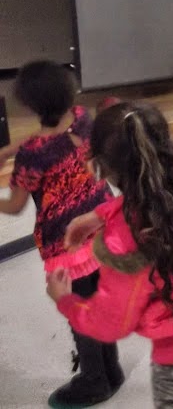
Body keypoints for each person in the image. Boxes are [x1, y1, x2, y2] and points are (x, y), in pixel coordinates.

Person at [46, 102, 173, 409]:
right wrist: (101, 214)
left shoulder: (124, 238)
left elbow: (111, 324)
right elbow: (156, 193)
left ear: (103, 167)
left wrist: (65, 300)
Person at [0, 61, 123, 407]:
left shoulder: (33, 156)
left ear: (30, 105)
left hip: (67, 244)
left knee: (79, 309)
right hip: (101, 229)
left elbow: (15, 205)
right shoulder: (83, 119)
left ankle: (94, 381)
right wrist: (13, 150)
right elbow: (51, 141)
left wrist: (17, 154)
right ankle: (111, 370)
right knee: (98, 300)